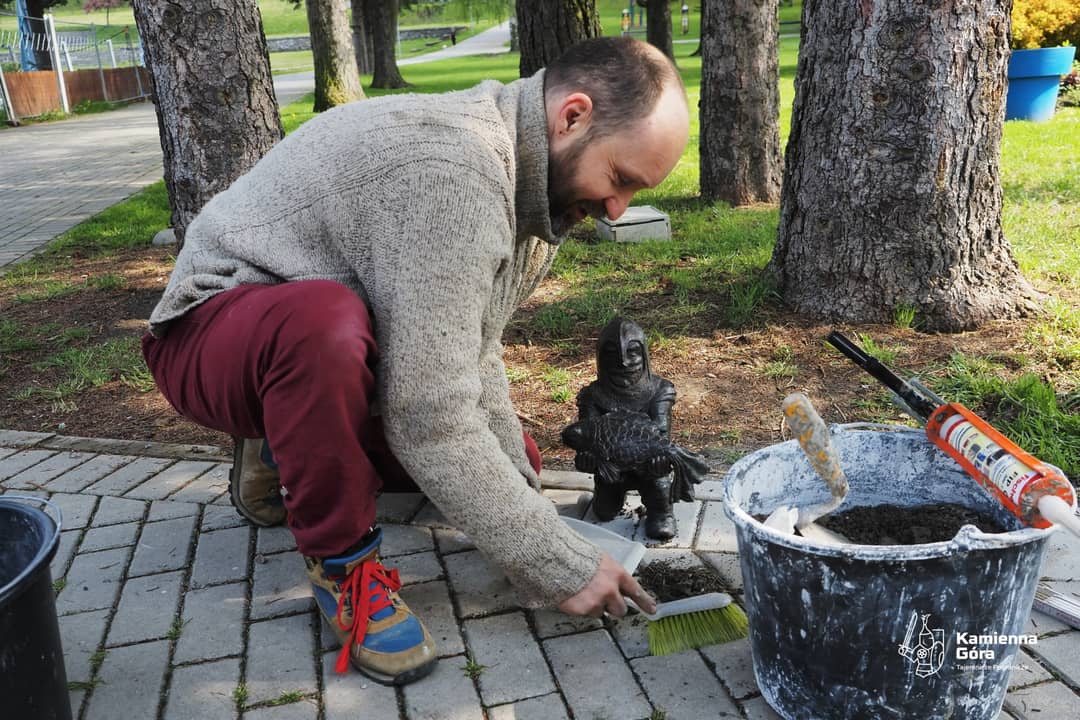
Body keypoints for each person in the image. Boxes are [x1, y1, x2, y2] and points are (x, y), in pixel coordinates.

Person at [141, 36, 689, 686]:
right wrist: (557, 566)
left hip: (308, 342)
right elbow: (428, 418)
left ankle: (285, 447)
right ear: (572, 116)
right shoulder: (455, 175)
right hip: (210, 331)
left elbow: (472, 354)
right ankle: (343, 564)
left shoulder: (537, 201)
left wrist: (531, 515)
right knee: (326, 328)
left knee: (513, 467)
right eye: (620, 179)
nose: (617, 210)